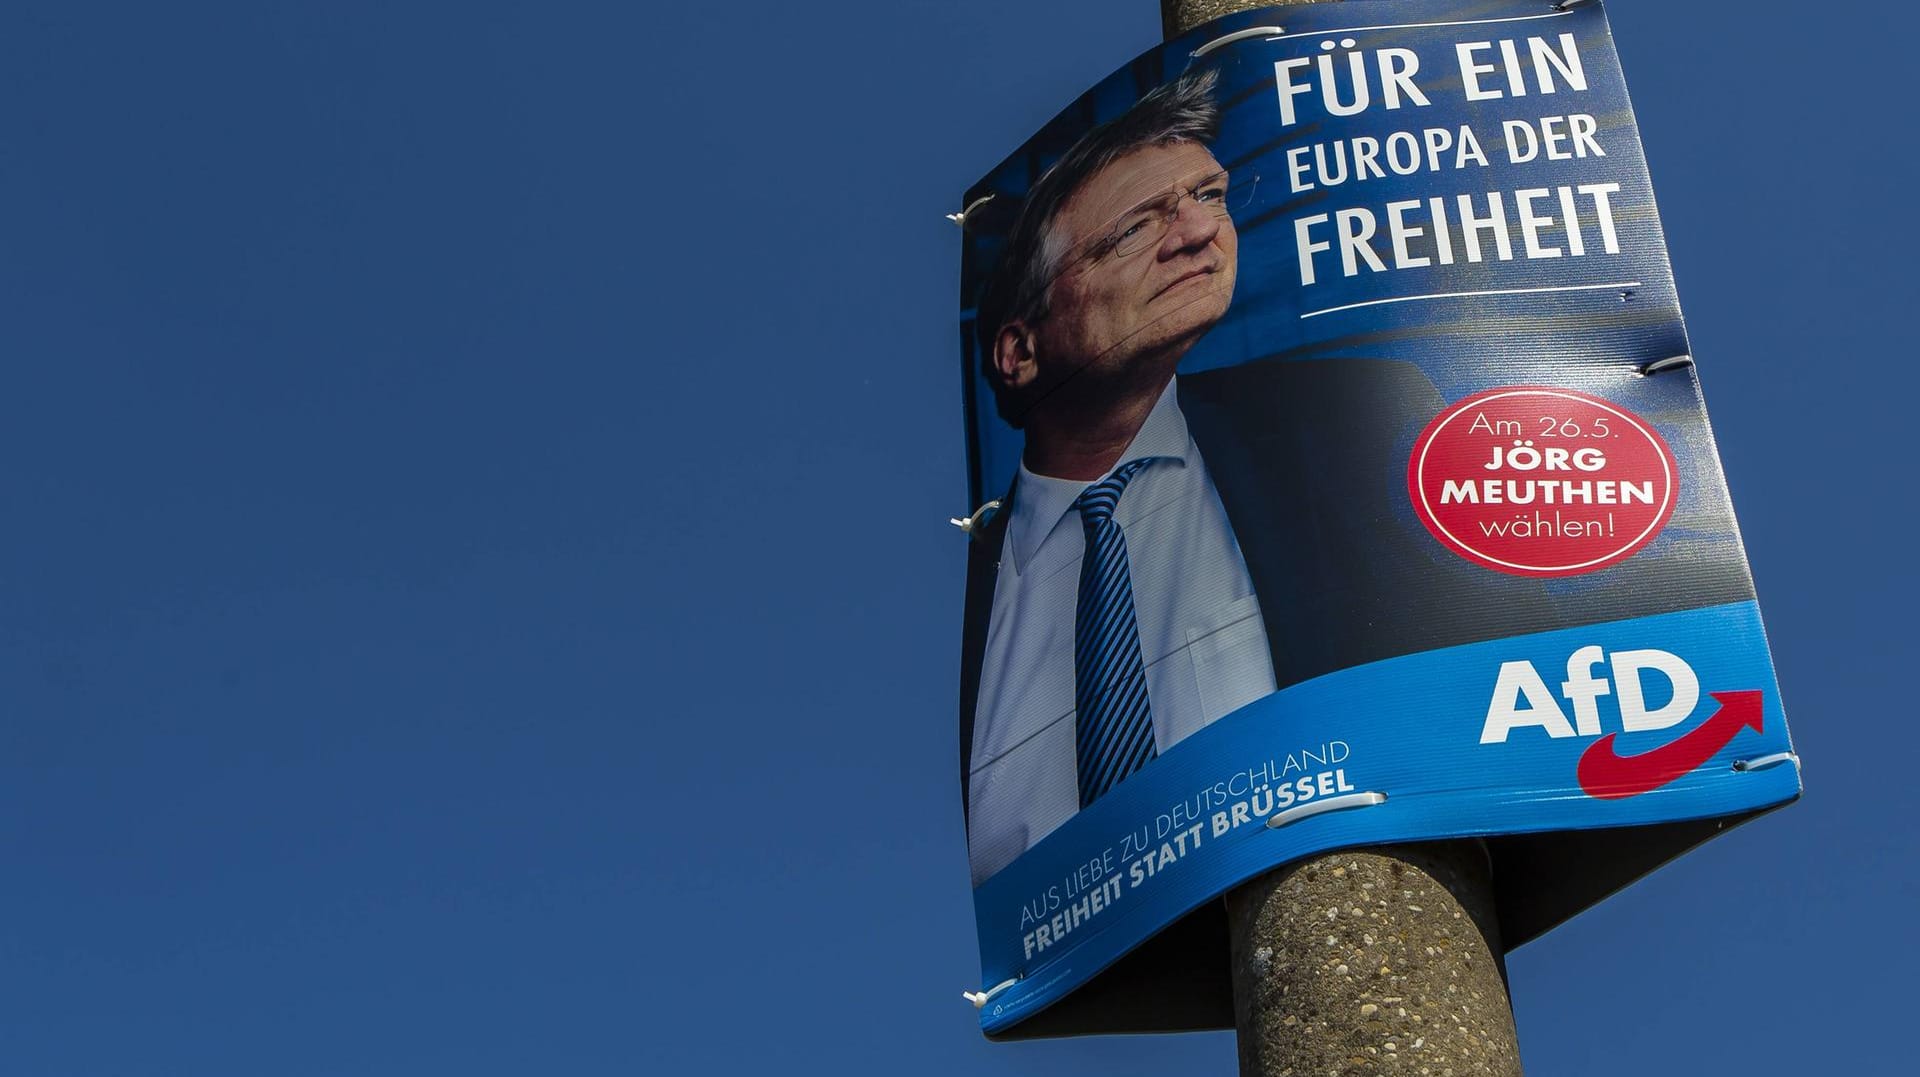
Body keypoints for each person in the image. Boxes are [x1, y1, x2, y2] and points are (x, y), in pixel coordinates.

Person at [958, 71, 1566, 885]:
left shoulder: (1355, 418)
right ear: (1021, 350)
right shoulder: (981, 600)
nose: (1200, 233)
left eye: (1210, 194)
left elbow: (1514, 675)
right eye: (1135, 227)